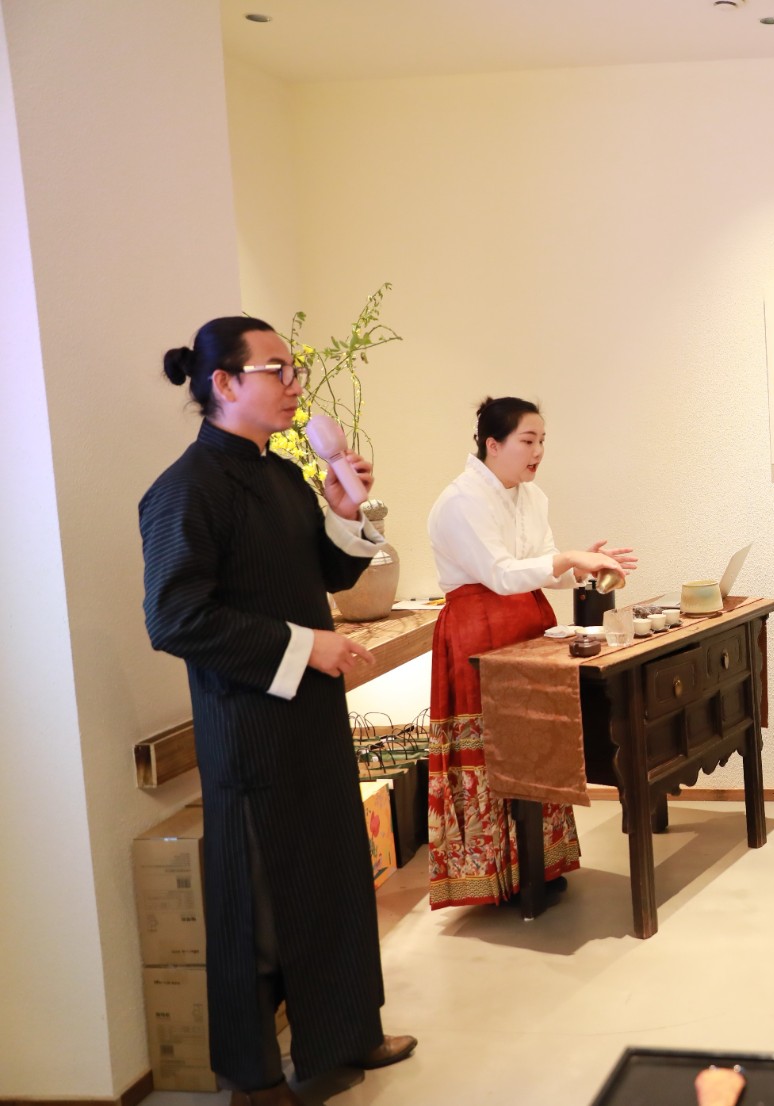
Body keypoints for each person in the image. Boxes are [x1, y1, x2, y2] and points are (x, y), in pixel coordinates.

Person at [140, 317, 414, 1106]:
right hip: (249, 731)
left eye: (295, 371)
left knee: (334, 878)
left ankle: (346, 1035)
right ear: (224, 383)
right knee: (259, 908)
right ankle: (252, 1078)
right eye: (278, 370)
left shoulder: (284, 475)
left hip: (309, 717)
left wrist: (349, 508)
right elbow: (175, 619)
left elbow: (328, 571)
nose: (296, 384)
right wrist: (307, 646)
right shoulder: (184, 490)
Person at [426, 396, 634, 908]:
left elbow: (542, 566)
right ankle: (492, 876)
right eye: (528, 440)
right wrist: (566, 559)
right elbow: (499, 574)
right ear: (492, 445)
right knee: (493, 746)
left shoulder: (531, 495)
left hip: (527, 622)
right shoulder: (460, 501)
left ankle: (541, 865)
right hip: (478, 630)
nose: (538, 451)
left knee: (537, 740)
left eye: (542, 441)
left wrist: (583, 566)